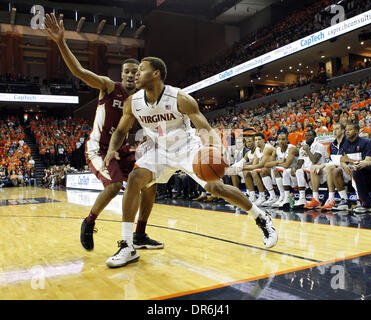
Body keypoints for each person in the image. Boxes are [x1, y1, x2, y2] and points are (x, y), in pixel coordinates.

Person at [103, 57, 277, 268]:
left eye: (141, 69)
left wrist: (216, 151)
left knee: (216, 187)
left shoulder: (180, 98)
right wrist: (112, 149)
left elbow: (204, 127)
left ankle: (261, 217)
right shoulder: (133, 103)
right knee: (134, 179)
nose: (136, 74)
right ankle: (128, 246)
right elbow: (121, 130)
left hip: (188, 148)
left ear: (156, 73)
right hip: (160, 151)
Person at [43, 13, 163, 251]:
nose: (131, 75)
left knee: (151, 184)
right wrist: (60, 42)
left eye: (135, 72)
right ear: (122, 75)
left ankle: (139, 234)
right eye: (127, 71)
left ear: (141, 76)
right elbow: (79, 72)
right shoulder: (109, 86)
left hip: (122, 149)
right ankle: (88, 222)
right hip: (98, 148)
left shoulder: (142, 100)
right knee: (114, 186)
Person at [293, 130, 326, 208]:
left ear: (315, 137)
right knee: (288, 172)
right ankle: (284, 197)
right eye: (306, 136)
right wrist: (294, 168)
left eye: (310, 135)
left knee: (299, 172)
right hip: (306, 171)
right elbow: (300, 162)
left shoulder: (319, 146)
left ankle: (302, 198)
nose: (307, 137)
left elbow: (314, 160)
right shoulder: (302, 148)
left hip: (317, 171)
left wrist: (307, 150)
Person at [242, 133, 277, 206]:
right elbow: (254, 164)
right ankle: (256, 196)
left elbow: (261, 165)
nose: (257, 141)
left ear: (264, 140)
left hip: (276, 170)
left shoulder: (268, 148)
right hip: (267, 170)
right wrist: (243, 168)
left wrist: (242, 167)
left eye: (259, 139)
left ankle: (272, 196)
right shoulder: (257, 150)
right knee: (249, 172)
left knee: (258, 171)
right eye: (256, 140)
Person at [353, 119, 371, 214]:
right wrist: (360, 163)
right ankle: (367, 203)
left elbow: (369, 163)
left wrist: (367, 163)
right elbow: (368, 159)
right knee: (357, 169)